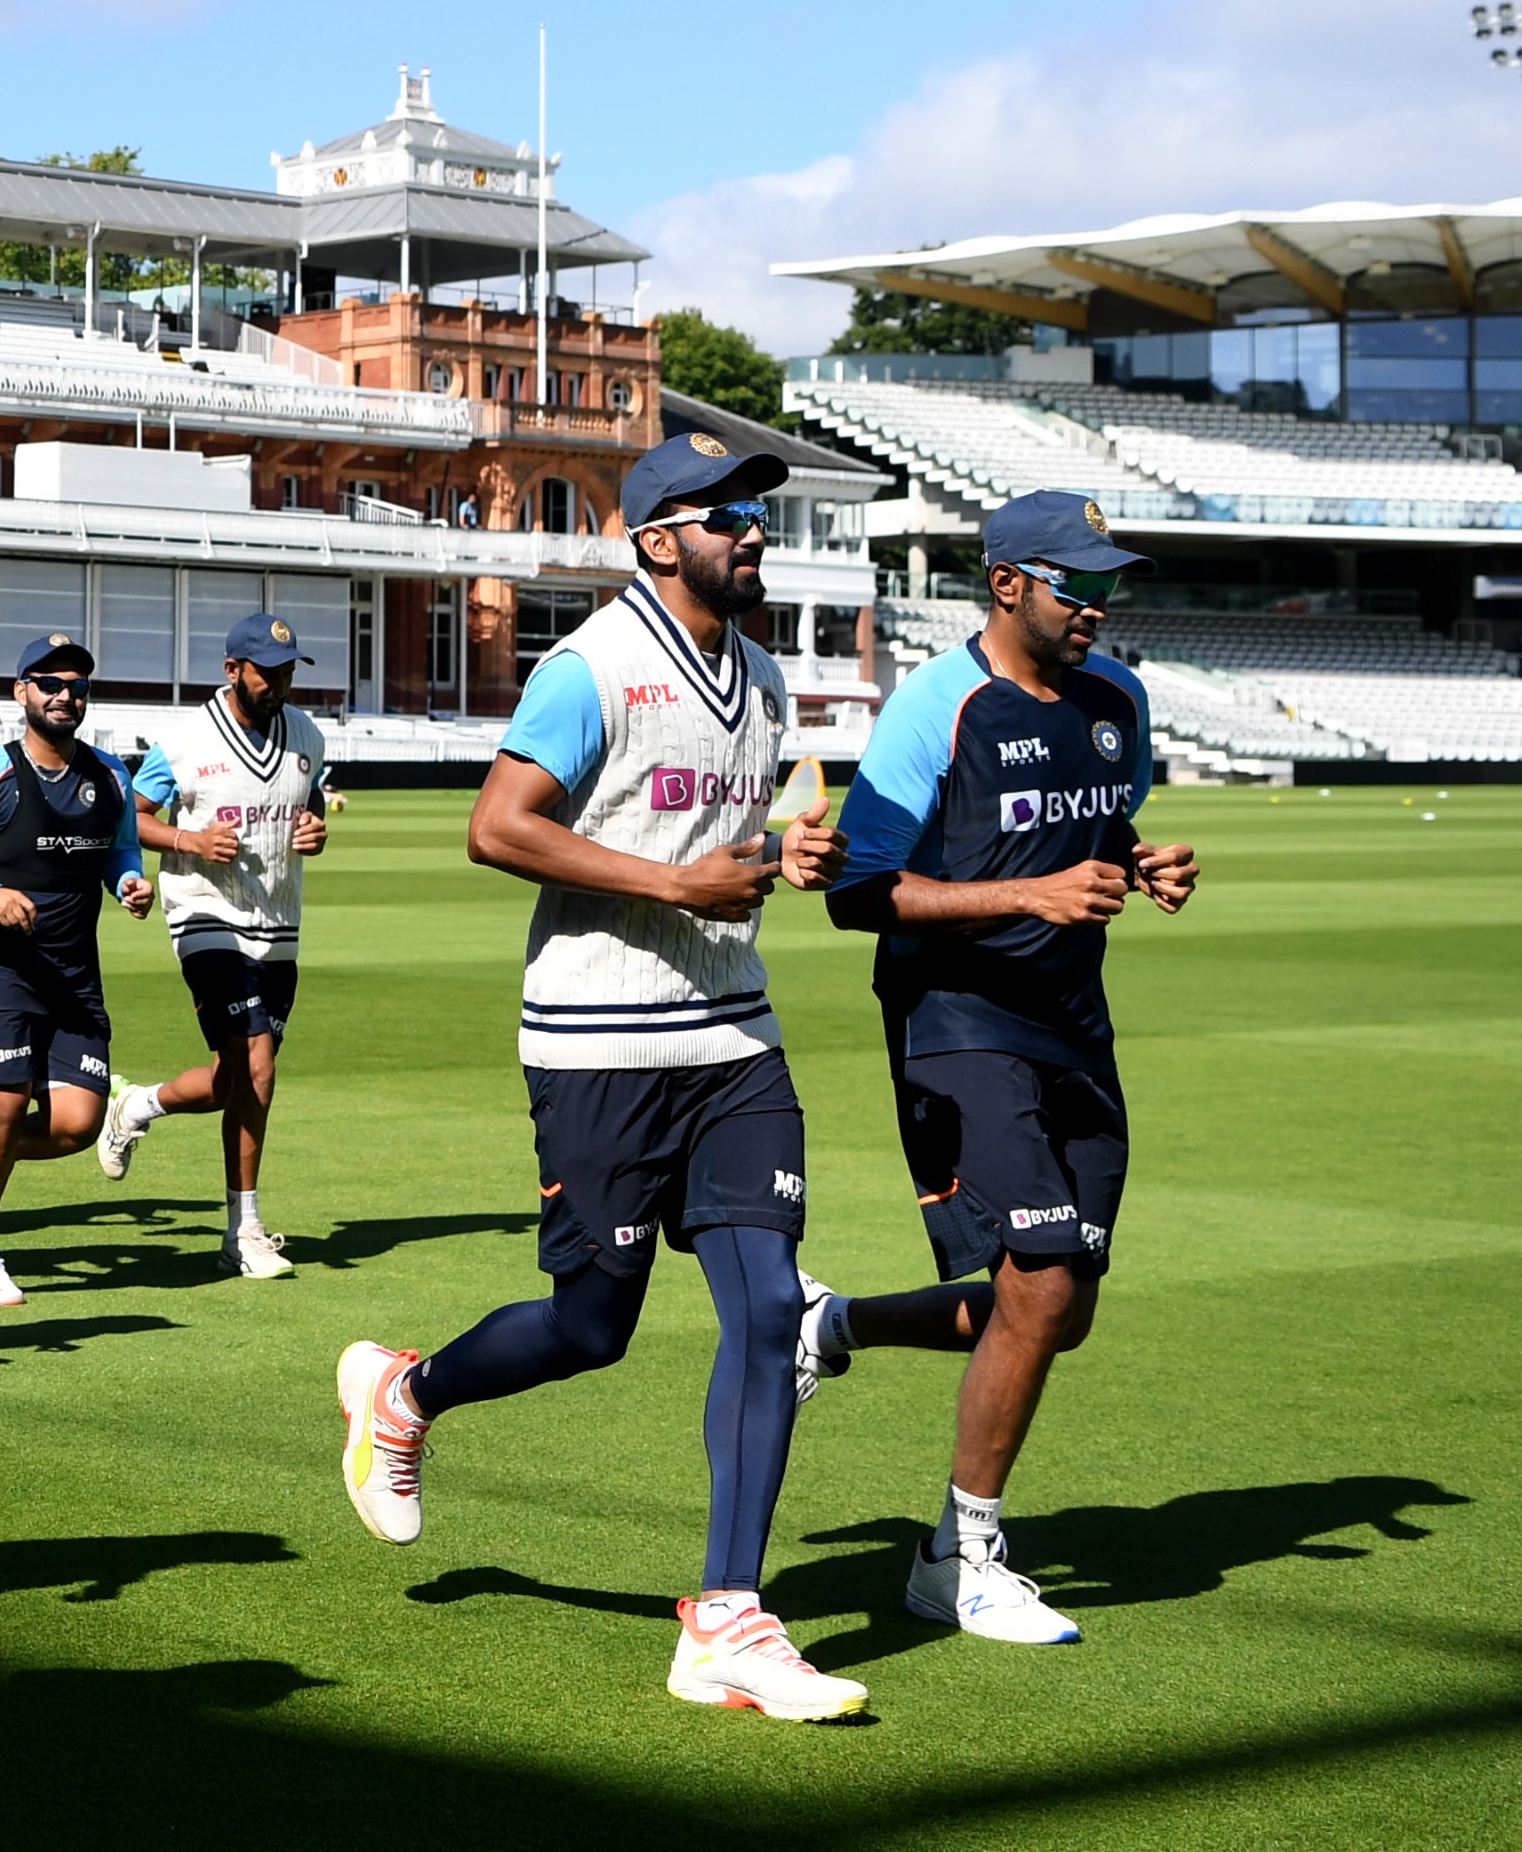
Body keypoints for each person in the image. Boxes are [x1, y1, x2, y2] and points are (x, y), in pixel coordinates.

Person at [329, 431, 871, 1723]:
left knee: (766, 1309)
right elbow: (496, 825)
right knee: (592, 1324)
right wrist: (677, 879)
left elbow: (731, 834)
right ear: (654, 538)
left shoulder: (762, 672)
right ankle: (406, 1392)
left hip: (735, 1039)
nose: (751, 529)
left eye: (756, 512)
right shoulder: (594, 667)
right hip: (599, 1043)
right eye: (725, 514)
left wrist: (778, 855)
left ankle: (727, 1617)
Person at [814, 492, 1197, 1646]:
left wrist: (1145, 860)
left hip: (1074, 1021)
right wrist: (1026, 895)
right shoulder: (934, 706)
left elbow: (1094, 827)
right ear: (1005, 583)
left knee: (1059, 1308)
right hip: (953, 1014)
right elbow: (856, 893)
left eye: (1107, 584)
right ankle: (958, 1553)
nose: (1096, 604)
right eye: (1075, 584)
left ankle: (830, 1327)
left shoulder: (1117, 696)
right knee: (1035, 1278)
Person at [0, 634, 156, 1308]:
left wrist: (130, 883)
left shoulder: (110, 776)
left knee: (79, 1125)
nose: (64, 695)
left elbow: (119, 850)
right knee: (6, 1104)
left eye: (77, 684)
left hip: (74, 974)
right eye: (48, 682)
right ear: (21, 692)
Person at [100, 612, 331, 1278]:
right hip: (204, 917)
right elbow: (132, 818)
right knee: (258, 1068)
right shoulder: (185, 740)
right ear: (233, 670)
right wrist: (190, 842)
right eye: (268, 671)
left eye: (289, 671)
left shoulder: (307, 735)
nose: (280, 683)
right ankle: (244, 1230)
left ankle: (137, 1104)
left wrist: (315, 829)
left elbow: (306, 804)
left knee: (235, 1082)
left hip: (278, 925)